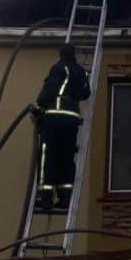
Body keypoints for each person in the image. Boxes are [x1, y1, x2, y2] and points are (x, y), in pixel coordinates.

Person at [31, 43, 90, 210]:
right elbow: (86, 93)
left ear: (61, 54)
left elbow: (49, 91)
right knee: (66, 156)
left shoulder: (59, 68)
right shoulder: (82, 72)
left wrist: (38, 106)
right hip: (72, 120)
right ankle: (65, 198)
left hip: (55, 117)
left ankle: (45, 197)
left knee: (48, 155)